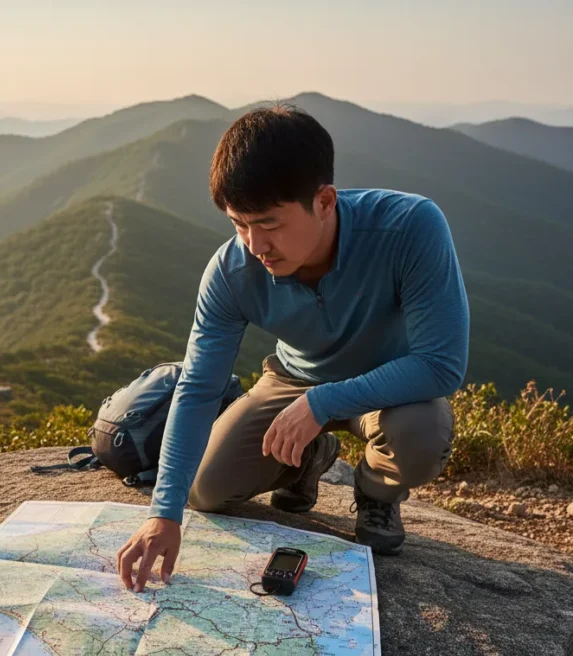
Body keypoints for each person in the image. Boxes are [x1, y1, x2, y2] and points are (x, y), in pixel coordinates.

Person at [117, 104, 469, 592]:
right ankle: (309, 457)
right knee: (207, 490)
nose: (255, 244)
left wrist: (321, 403)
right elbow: (198, 388)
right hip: (293, 378)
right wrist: (163, 513)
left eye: (269, 224)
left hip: (391, 387)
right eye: (239, 223)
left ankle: (374, 491)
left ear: (324, 201)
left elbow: (440, 364)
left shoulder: (410, 228)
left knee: (422, 433)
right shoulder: (231, 270)